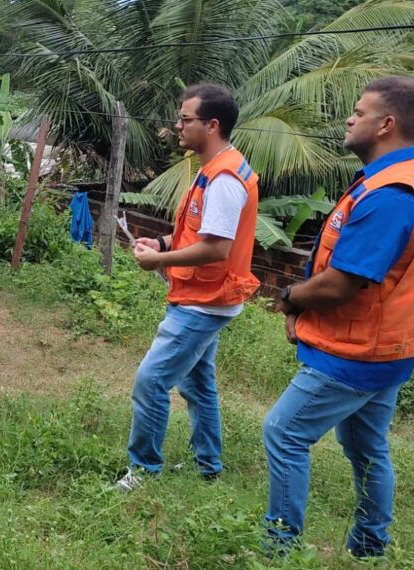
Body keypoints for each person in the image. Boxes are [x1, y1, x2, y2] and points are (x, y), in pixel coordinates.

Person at [266, 76, 414, 558]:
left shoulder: (390, 193)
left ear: (386, 123)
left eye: (358, 112)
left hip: (358, 352)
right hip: (389, 345)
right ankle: (369, 548)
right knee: (366, 446)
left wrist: (291, 297)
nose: (349, 118)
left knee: (283, 433)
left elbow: (343, 282)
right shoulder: (401, 177)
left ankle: (278, 549)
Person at [115, 84, 260, 491]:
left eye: (185, 119)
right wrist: (160, 243)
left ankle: (143, 472)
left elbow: (216, 248)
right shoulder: (214, 168)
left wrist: (157, 261)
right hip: (203, 296)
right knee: (197, 384)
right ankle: (208, 465)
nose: (177, 126)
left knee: (151, 381)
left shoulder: (226, 178)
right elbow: (200, 233)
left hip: (205, 301)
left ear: (212, 125)